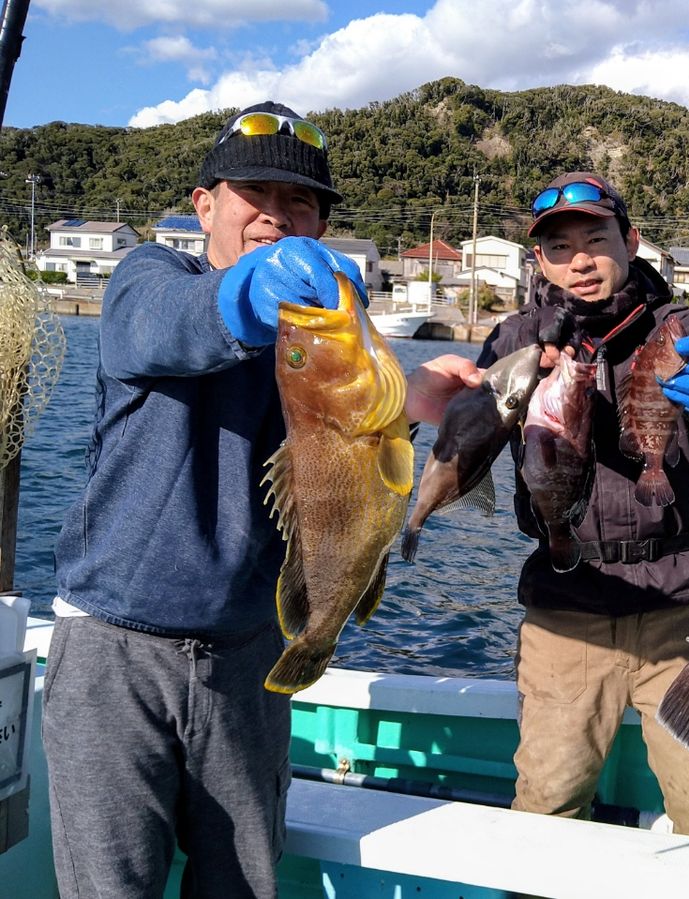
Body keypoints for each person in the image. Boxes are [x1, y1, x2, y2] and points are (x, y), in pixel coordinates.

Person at [43, 101, 482, 898]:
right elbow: (159, 327)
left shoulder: (321, 327)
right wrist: (247, 296)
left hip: (250, 657)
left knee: (243, 884)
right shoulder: (149, 279)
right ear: (205, 205)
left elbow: (348, 445)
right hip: (112, 651)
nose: (276, 217)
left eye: (300, 204)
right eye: (254, 194)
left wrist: (409, 402)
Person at [476, 172, 689, 839]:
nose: (581, 260)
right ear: (539, 260)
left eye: (596, 239)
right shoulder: (516, 337)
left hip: (682, 606)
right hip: (567, 609)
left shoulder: (685, 329)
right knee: (548, 801)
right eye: (559, 247)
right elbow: (468, 421)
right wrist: (510, 371)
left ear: (629, 241)